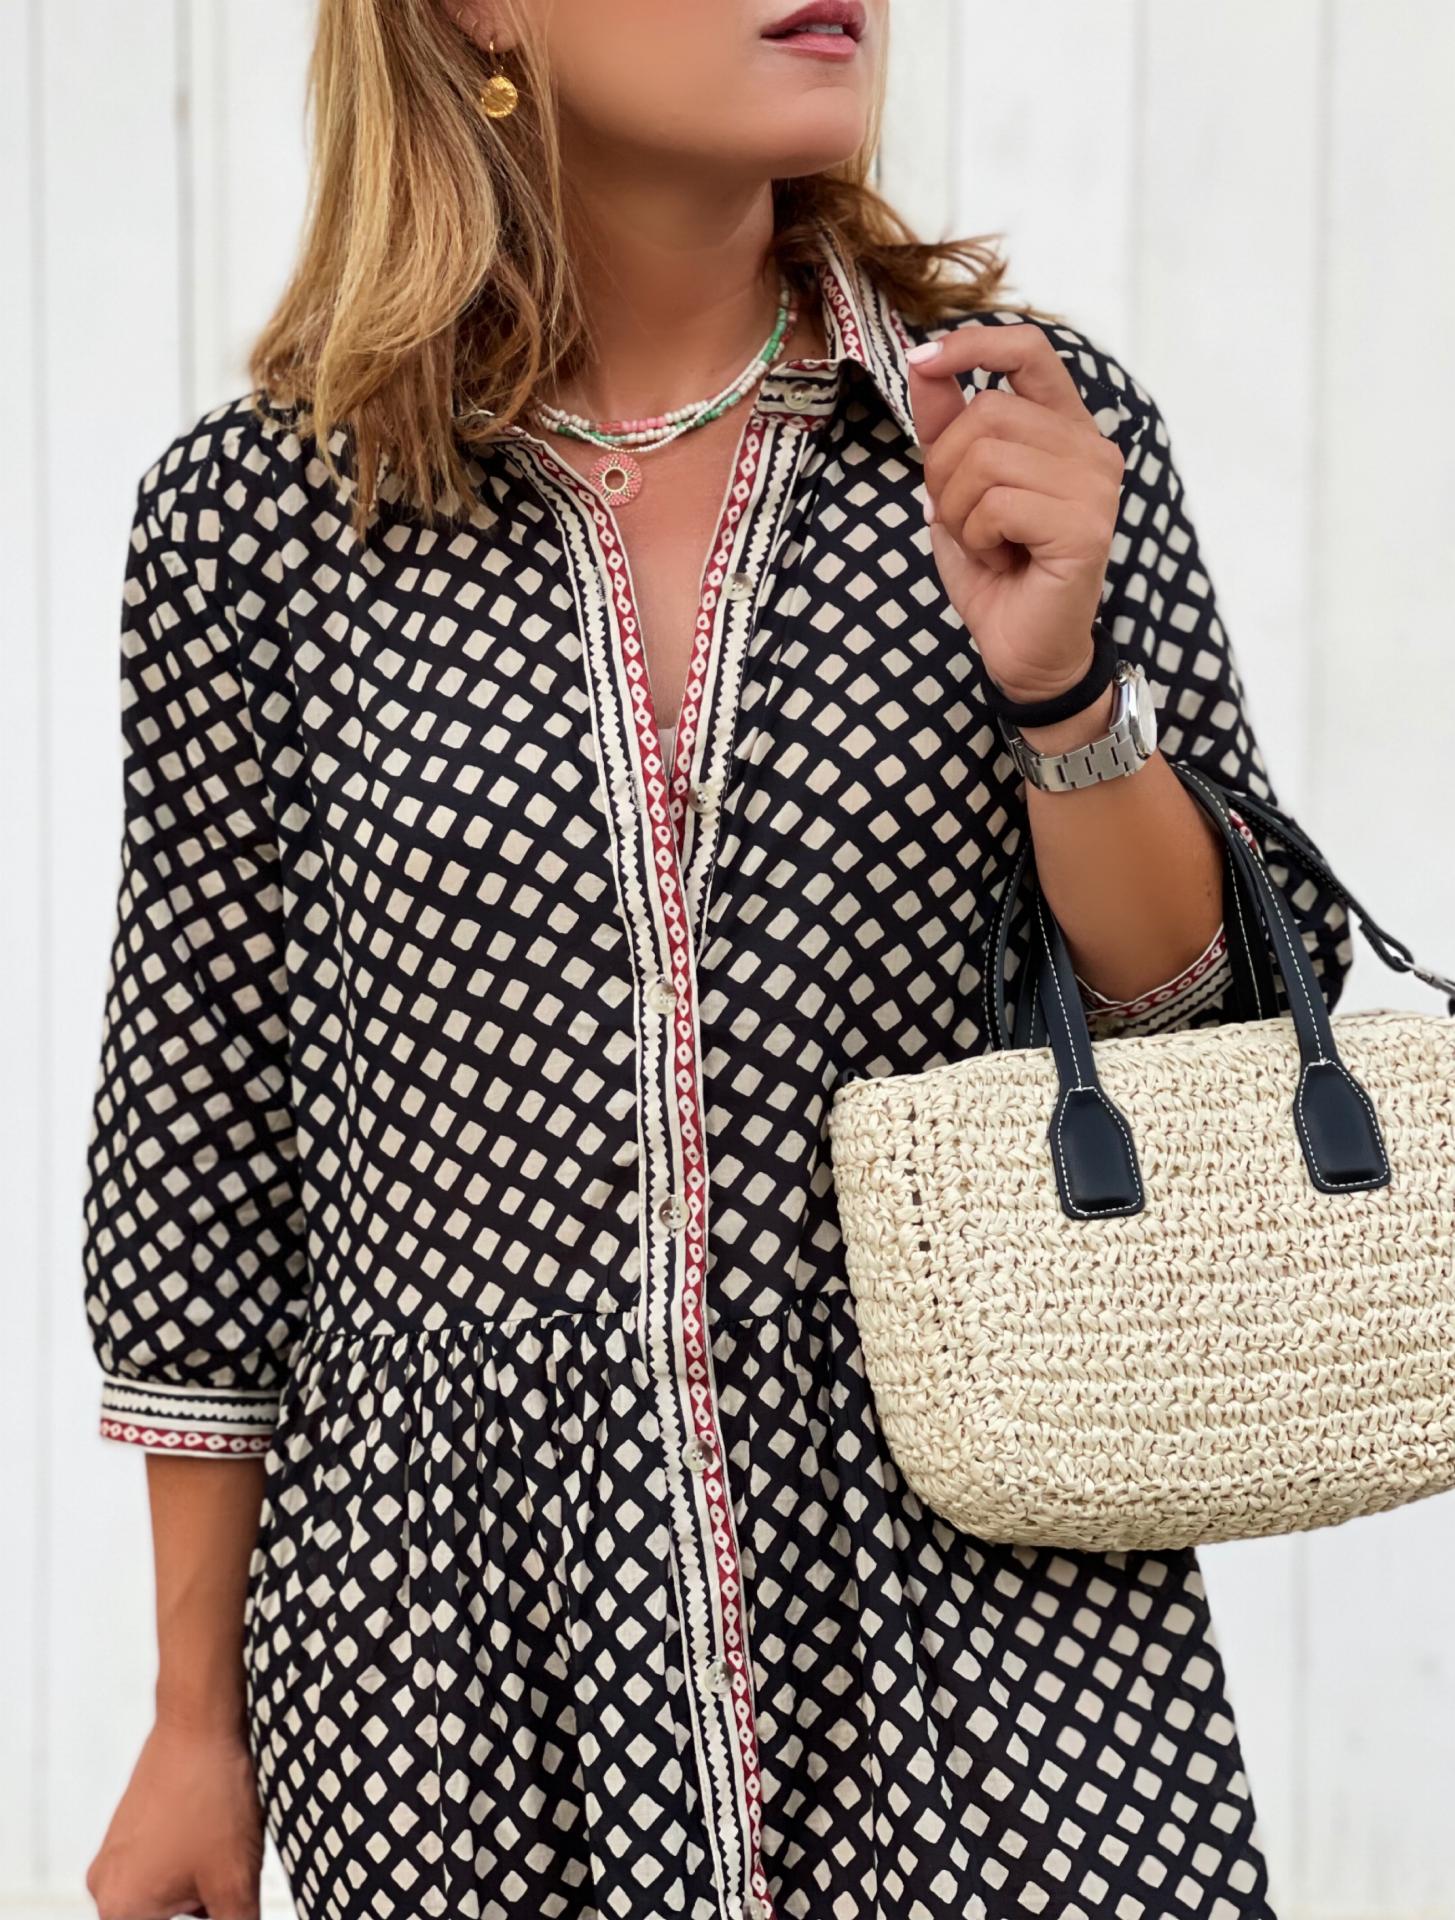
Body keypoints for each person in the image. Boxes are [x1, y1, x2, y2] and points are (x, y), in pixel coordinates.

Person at [80, 3, 1351, 1917]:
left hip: (982, 1631)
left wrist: (1064, 693)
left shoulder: (1013, 430)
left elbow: (1224, 1030)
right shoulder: (262, 520)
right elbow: (203, 1141)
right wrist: (195, 1724)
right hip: (449, 1672)